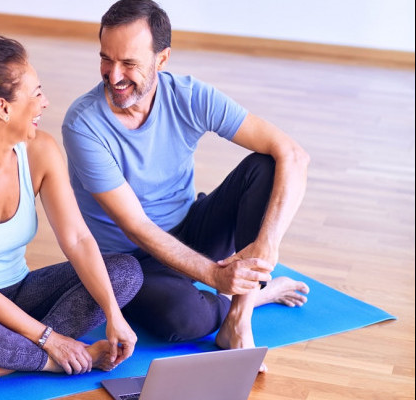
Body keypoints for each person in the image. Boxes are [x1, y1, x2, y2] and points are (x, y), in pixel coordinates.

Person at [62, 0, 310, 372]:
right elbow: (137, 227)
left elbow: (293, 154)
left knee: (266, 165)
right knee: (183, 321)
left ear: (162, 59)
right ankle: (259, 295)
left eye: (129, 63)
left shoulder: (190, 96)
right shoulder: (83, 125)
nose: (113, 76)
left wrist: (267, 246)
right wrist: (214, 275)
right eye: (105, 59)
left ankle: (239, 321)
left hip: (192, 228)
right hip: (133, 262)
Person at [0, 35, 143, 390]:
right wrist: (51, 341)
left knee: (125, 272)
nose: (44, 102)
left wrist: (113, 314)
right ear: (3, 108)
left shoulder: (41, 152)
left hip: (20, 292)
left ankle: (7, 362)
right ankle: (50, 361)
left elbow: (78, 239)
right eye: (35, 94)